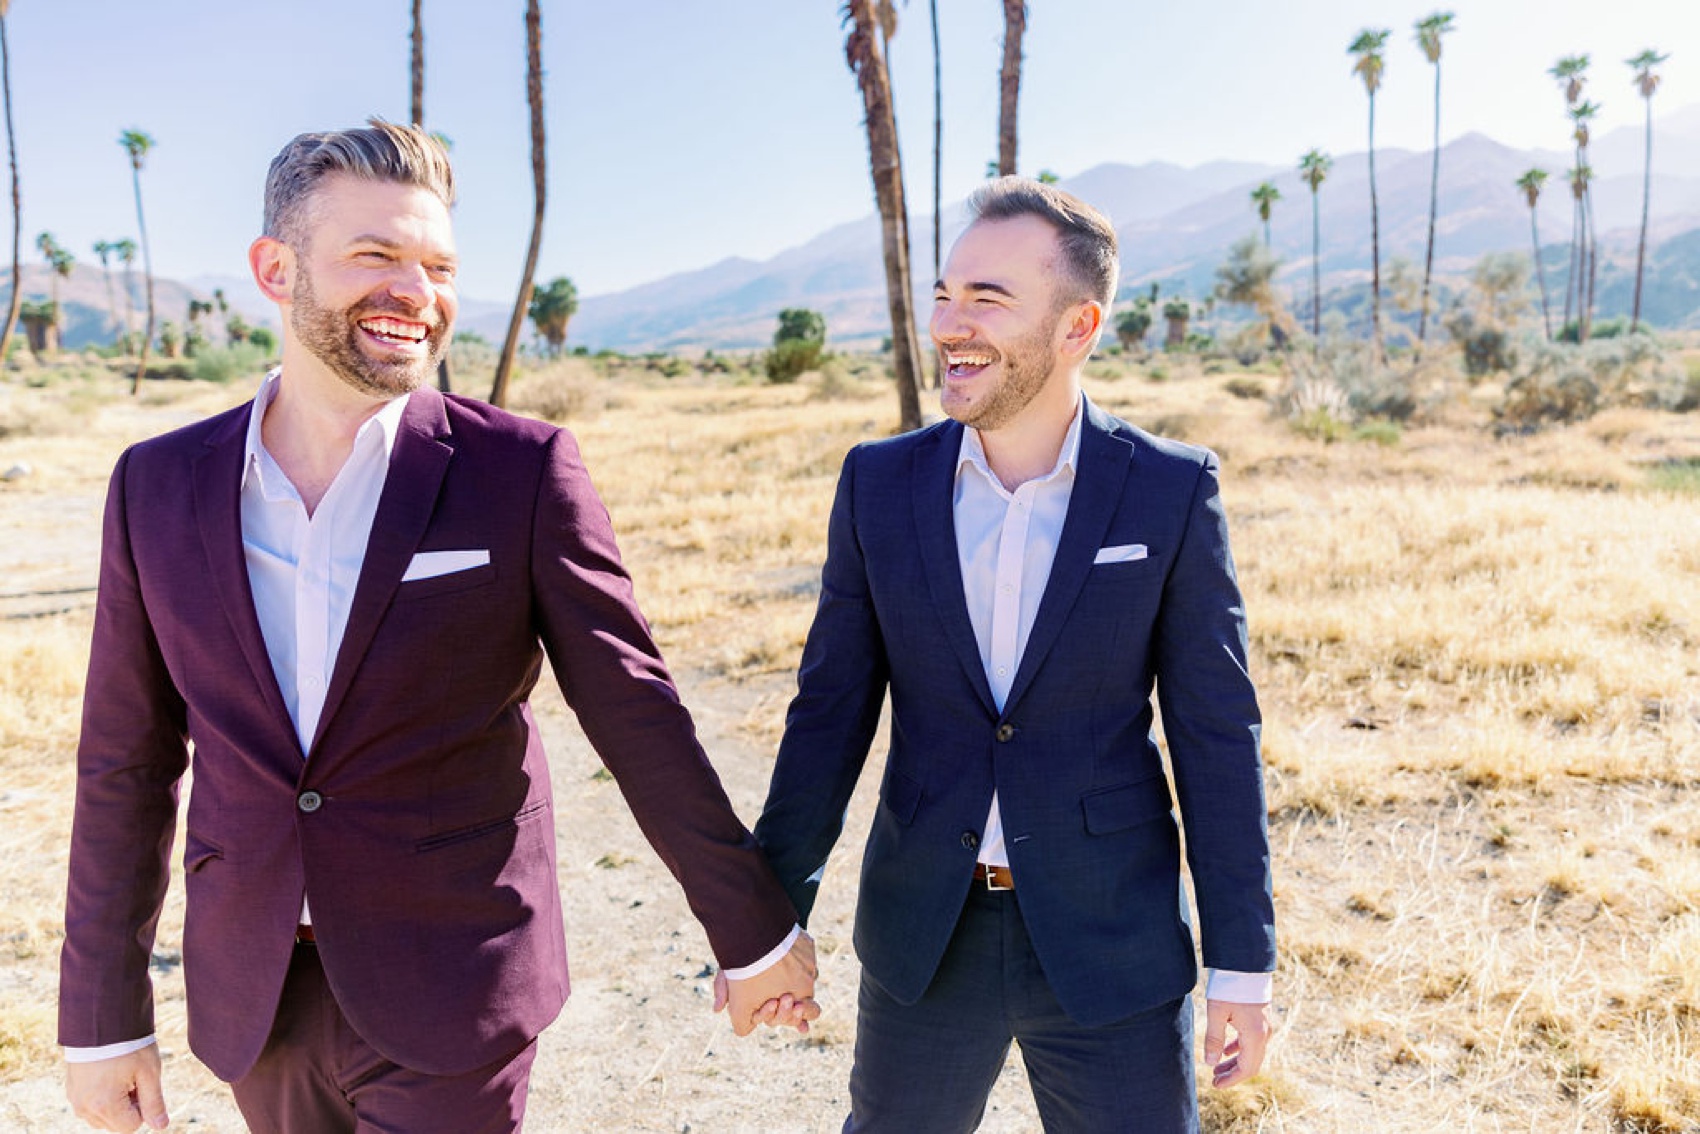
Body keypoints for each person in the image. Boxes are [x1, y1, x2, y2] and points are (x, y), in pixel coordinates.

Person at [58, 118, 816, 1134]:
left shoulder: (517, 471)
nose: (416, 293)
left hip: (453, 979)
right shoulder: (154, 486)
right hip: (256, 997)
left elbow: (633, 711)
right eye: (375, 256)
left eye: (437, 264)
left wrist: (750, 928)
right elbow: (124, 764)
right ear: (274, 269)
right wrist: (103, 1021)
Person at [750, 176, 1276, 1132]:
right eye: (947, 293)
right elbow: (828, 714)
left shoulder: (1168, 490)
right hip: (924, 937)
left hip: (1111, 938)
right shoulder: (880, 483)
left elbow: (1215, 736)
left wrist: (1241, 962)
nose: (951, 321)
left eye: (989, 298)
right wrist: (767, 920)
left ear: (1079, 327)